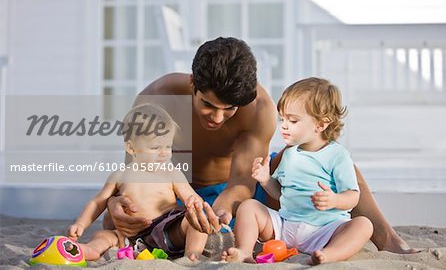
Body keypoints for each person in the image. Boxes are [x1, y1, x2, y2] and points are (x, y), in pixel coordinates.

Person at [104, 37, 416, 254]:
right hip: (174, 195)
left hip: (241, 191)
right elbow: (137, 170)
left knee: (329, 158)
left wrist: (223, 208)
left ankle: (387, 237)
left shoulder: (259, 108)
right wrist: (120, 202)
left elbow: (242, 182)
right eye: (208, 105)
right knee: (116, 217)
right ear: (192, 84)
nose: (218, 117)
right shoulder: (158, 97)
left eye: (230, 109)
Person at [222, 77, 373, 264]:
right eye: (282, 119)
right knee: (248, 206)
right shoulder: (290, 154)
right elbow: (280, 194)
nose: (284, 125)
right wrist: (266, 180)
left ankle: (328, 255)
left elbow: (353, 196)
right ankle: (244, 251)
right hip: (286, 225)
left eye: (293, 120)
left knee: (363, 225)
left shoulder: (337, 155)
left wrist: (335, 199)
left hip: (324, 230)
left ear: (320, 124)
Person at [67, 103, 208, 261]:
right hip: (131, 236)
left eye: (168, 146)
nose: (164, 153)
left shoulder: (172, 173)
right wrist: (81, 224)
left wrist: (194, 201)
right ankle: (90, 249)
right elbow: (98, 202)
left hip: (167, 230)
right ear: (131, 148)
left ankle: (192, 255)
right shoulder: (120, 175)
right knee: (103, 235)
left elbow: (191, 197)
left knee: (193, 223)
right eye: (155, 148)